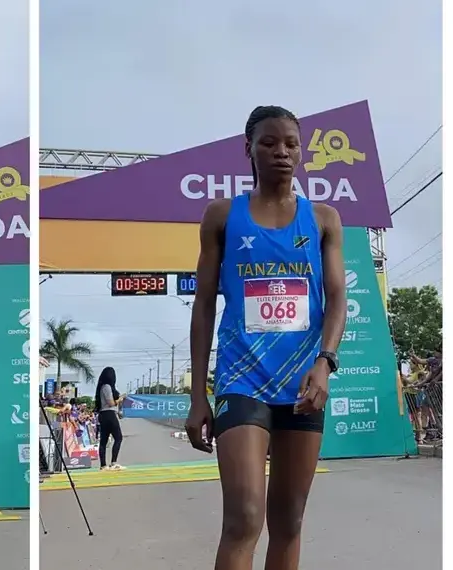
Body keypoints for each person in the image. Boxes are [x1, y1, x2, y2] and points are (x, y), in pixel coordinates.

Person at [185, 105, 346, 570]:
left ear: (302, 151)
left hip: (302, 383)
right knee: (243, 516)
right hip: (241, 380)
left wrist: (325, 362)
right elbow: (203, 305)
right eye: (269, 143)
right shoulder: (221, 216)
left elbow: (337, 301)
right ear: (248, 150)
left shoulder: (323, 220)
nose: (281, 152)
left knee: (289, 520)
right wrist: (199, 397)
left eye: (291, 144)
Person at [94, 367, 125, 471]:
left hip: (103, 414)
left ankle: (103, 465)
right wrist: (120, 399)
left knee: (103, 440)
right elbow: (111, 403)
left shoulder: (102, 387)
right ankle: (113, 463)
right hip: (109, 414)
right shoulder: (107, 387)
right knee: (118, 437)